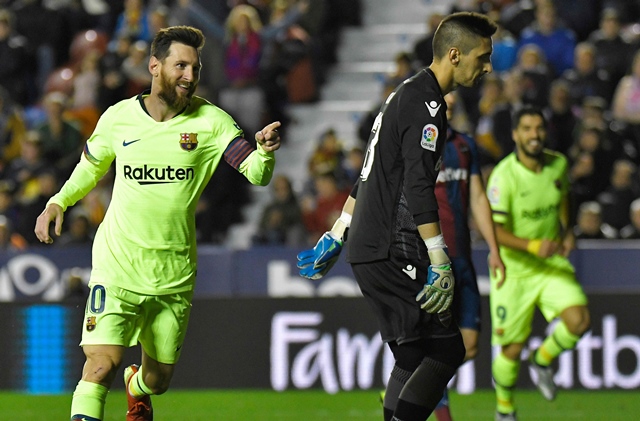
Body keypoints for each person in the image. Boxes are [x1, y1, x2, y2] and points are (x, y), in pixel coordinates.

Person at [34, 25, 282, 421]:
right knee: (100, 365)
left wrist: (265, 153)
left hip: (173, 272)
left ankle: (139, 387)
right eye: (180, 65)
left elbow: (254, 172)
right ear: (154, 66)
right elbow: (91, 166)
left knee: (158, 379)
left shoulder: (212, 121)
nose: (189, 75)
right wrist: (58, 201)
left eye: (195, 68)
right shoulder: (118, 118)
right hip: (118, 264)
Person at [297, 12, 497, 421]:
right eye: (483, 56)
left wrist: (338, 232)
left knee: (411, 353)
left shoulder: (402, 95)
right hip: (393, 246)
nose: (488, 66)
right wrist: (439, 258)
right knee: (447, 349)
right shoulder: (427, 105)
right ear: (455, 55)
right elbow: (418, 186)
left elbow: (370, 172)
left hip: (370, 246)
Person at [486, 106, 591, 421]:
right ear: (516, 135)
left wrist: (568, 230)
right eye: (527, 129)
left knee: (579, 321)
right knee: (511, 351)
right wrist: (532, 245)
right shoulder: (503, 177)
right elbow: (494, 230)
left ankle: (542, 360)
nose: (534, 135)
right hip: (514, 271)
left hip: (549, 266)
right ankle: (505, 411)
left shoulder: (557, 165)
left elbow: (564, 199)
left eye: (538, 129)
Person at [432, 93, 505, 420]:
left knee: (470, 346)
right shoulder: (414, 148)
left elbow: (477, 197)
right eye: (440, 103)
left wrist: (494, 247)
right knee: (440, 343)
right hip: (430, 262)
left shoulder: (464, 146)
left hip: (463, 258)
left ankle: (409, 381)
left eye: (450, 104)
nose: (446, 109)